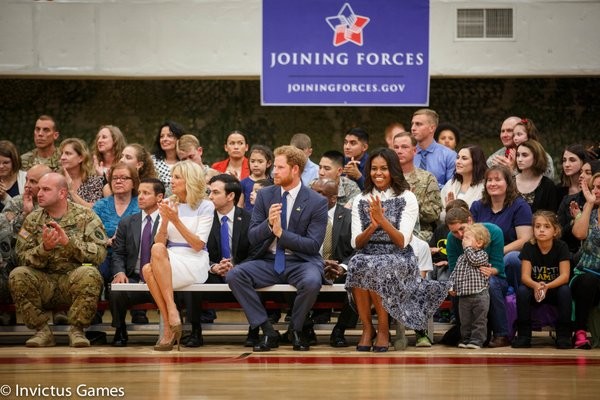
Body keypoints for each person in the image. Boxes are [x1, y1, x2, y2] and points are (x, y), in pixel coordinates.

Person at [345, 148, 451, 352]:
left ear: (393, 170)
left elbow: (402, 241)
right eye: (374, 168)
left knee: (377, 266)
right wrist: (373, 226)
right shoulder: (361, 199)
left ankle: (384, 330)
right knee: (357, 262)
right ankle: (367, 329)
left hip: (399, 256)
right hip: (368, 253)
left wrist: (382, 220)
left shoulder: (407, 197)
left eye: (383, 168)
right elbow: (356, 244)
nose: (378, 173)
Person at [226, 145, 328, 352]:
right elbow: (253, 237)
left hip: (301, 261)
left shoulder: (317, 202)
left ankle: (296, 329)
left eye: (280, 167)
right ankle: (267, 330)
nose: (274, 172)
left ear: (295, 169)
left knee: (311, 281)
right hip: (268, 261)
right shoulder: (265, 195)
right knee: (235, 275)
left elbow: (312, 245)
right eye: (275, 167)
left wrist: (281, 234)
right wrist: (269, 225)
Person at [8, 173, 106, 347]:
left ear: (62, 193)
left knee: (90, 273)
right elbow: (20, 257)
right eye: (39, 189)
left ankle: (77, 331)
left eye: (46, 189)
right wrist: (44, 249)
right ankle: (42, 332)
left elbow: (100, 253)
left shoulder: (86, 216)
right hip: (43, 281)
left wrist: (70, 244)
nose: (39, 193)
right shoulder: (33, 220)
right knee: (18, 274)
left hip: (73, 280)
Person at [142, 161, 214, 351]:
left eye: (176, 177)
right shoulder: (168, 203)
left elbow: (198, 245)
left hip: (194, 260)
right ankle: (171, 315)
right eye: (171, 176)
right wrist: (166, 221)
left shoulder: (206, 206)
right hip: (170, 257)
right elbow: (159, 241)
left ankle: (169, 322)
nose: (171, 181)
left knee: (149, 268)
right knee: (153, 256)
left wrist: (176, 220)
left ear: (189, 180)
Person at [182, 174, 256, 348]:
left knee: (258, 278)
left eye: (215, 192)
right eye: (209, 192)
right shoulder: (203, 218)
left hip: (242, 274)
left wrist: (237, 267)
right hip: (212, 274)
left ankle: (254, 332)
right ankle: (195, 331)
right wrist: (213, 267)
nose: (210, 197)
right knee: (192, 279)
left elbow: (255, 253)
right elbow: (194, 251)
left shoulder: (249, 219)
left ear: (230, 196)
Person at [110, 178, 165, 347]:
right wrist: (119, 272)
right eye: (139, 192)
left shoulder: (167, 221)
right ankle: (120, 329)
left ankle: (182, 330)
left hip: (162, 279)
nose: (140, 196)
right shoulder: (127, 222)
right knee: (116, 289)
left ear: (159, 197)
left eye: (146, 193)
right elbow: (118, 253)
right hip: (134, 277)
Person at [445, 207, 510, 348]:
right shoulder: (451, 239)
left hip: (494, 278)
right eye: (454, 232)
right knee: (455, 287)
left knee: (490, 284)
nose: (460, 235)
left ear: (470, 220)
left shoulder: (493, 231)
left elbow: (498, 267)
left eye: (462, 229)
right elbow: (454, 268)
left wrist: (490, 271)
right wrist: (452, 285)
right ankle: (464, 333)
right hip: (466, 280)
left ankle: (501, 334)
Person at [512, 211, 572, 349]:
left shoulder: (561, 246)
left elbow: (564, 276)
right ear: (533, 230)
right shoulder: (528, 247)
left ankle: (564, 336)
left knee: (565, 291)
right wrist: (535, 285)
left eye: (547, 226)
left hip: (553, 289)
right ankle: (524, 336)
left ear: (555, 231)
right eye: (538, 226)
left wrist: (547, 286)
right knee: (522, 291)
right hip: (534, 288)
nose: (541, 230)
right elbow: (525, 277)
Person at [310, 178, 356, 347]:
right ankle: (304, 328)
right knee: (290, 273)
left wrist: (342, 267)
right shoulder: (302, 216)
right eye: (312, 191)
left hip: (340, 272)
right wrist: (318, 263)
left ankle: (340, 330)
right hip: (309, 268)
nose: (313, 196)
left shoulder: (350, 217)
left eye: (319, 193)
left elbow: (359, 249)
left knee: (360, 279)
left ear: (333, 198)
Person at [471, 165, 533, 291]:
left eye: (498, 179)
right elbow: (469, 235)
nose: (492, 184)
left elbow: (525, 239)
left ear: (508, 183)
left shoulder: (520, 206)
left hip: (506, 255)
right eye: (489, 180)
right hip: (480, 256)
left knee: (513, 258)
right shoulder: (477, 206)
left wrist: (497, 252)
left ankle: (514, 294)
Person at [92, 163, 140, 290]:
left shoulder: (141, 205)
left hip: (133, 257)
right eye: (114, 178)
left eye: (124, 178)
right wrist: (107, 241)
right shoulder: (100, 206)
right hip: (106, 255)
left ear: (134, 183)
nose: (118, 181)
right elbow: (90, 234)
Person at [393, 131, 442, 241]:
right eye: (396, 147)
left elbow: (434, 214)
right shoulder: (386, 177)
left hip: (419, 233)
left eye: (404, 147)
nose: (399, 151)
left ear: (414, 151)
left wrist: (412, 201)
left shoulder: (427, 178)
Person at [570, 172, 600, 349]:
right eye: (593, 187)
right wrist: (588, 204)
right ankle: (579, 332)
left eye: (599, 188)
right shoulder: (589, 214)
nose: (595, 191)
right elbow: (579, 234)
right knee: (590, 280)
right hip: (584, 275)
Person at [448, 223, 491, 349]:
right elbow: (455, 273)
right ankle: (465, 339)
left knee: (479, 320)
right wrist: (451, 286)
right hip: (464, 296)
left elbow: (473, 260)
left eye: (467, 238)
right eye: (464, 238)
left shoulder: (482, 255)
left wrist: (467, 248)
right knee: (465, 321)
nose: (463, 240)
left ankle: (477, 341)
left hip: (480, 295)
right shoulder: (461, 258)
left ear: (479, 243)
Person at [557, 160, 600, 255]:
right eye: (581, 172)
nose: (581, 176)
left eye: (587, 172)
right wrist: (577, 218)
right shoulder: (571, 201)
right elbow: (561, 233)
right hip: (575, 255)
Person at [440, 145, 487, 223]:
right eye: (458, 157)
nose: (458, 162)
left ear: (475, 162)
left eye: (464, 158)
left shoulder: (484, 187)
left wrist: (455, 211)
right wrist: (448, 210)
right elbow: (440, 216)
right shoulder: (451, 184)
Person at [411, 109, 456, 188]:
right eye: (412, 124)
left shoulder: (449, 155)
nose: (413, 128)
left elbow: (452, 188)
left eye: (418, 124)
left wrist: (428, 187)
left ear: (432, 128)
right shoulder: (407, 153)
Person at [514, 139, 559, 213]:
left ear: (536, 157)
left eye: (524, 155)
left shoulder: (547, 185)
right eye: (518, 155)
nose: (519, 159)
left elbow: (552, 215)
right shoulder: (509, 182)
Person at [59, 138, 104, 208]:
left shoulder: (94, 181)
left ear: (81, 158)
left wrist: (71, 192)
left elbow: (94, 210)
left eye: (68, 154)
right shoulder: (55, 179)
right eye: (62, 153)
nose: (62, 157)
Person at [152, 121, 184, 195]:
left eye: (169, 136)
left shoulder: (186, 161)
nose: (164, 139)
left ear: (179, 139)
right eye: (161, 136)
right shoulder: (152, 161)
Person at [239, 145, 273, 211]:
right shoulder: (243, 183)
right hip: (248, 217)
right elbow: (240, 205)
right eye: (252, 161)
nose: (255, 165)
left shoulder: (272, 183)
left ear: (268, 163)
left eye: (260, 161)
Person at [0, 140, 27, 212]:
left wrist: (4, 197)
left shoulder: (26, 178)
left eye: (6, 162)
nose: (1, 166)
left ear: (14, 161)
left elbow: (25, 211)